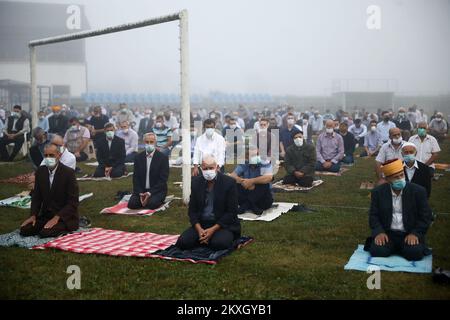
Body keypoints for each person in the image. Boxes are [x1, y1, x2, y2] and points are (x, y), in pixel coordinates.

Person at [368, 158, 432, 261]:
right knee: (377, 251)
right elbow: (373, 216)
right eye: (396, 177)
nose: (400, 179)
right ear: (387, 179)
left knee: (414, 253)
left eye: (402, 175)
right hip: (388, 233)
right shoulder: (378, 192)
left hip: (409, 233)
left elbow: (426, 217)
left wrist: (415, 234)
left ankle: (403, 247)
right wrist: (379, 232)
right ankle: (393, 247)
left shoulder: (418, 191)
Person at [176, 155, 241, 251]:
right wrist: (199, 229)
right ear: (201, 168)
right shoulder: (196, 182)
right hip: (202, 224)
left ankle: (209, 238)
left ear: (217, 167)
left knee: (219, 244)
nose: (208, 171)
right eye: (205, 168)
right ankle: (204, 237)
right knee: (182, 242)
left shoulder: (229, 183)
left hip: (223, 225)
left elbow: (232, 212)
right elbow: (192, 210)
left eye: (211, 168)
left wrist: (213, 229)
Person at [20, 143, 79, 238]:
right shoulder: (41, 171)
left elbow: (73, 202)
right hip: (47, 215)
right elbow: (37, 197)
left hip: (64, 217)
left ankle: (60, 228)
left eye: (51, 155)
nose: (48, 158)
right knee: (25, 230)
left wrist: (57, 218)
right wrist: (33, 215)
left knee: (45, 233)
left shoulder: (68, 173)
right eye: (46, 155)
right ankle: (45, 226)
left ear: (59, 156)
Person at [127, 133, 169, 210]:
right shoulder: (138, 157)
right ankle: (144, 199)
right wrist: (140, 193)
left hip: (156, 190)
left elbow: (163, 180)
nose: (149, 144)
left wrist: (150, 193)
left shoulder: (163, 158)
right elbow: (135, 178)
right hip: (142, 190)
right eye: (147, 142)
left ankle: (152, 199)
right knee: (132, 204)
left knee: (151, 204)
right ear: (144, 142)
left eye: (151, 142)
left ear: (155, 142)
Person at [229, 145, 274, 215]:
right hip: (247, 192)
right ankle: (251, 205)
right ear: (247, 157)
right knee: (234, 184)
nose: (255, 157)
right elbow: (232, 175)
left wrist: (251, 181)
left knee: (265, 184)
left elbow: (269, 177)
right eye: (252, 155)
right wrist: (242, 181)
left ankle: (246, 205)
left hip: (262, 197)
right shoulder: (244, 163)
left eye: (257, 155)